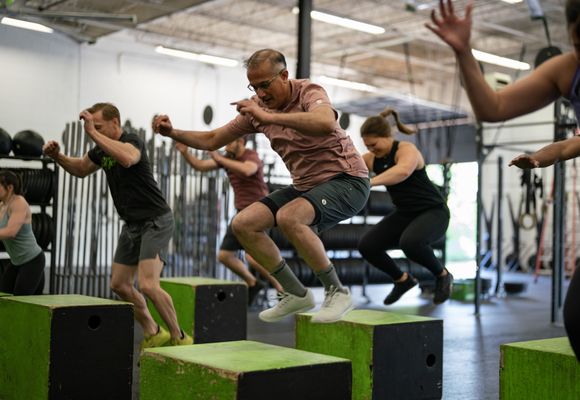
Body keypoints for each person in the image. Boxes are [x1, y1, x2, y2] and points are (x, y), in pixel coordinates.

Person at [153, 49, 370, 323]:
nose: (261, 94)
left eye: (265, 85)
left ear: (284, 76)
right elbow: (212, 139)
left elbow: (325, 121)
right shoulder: (257, 110)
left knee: (289, 217)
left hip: (348, 180)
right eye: (254, 87)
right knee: (244, 223)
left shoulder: (307, 91)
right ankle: (295, 293)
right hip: (306, 186)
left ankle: (337, 291)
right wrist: (172, 132)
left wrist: (268, 117)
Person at [428, 0, 580, 361]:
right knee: (577, 318)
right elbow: (492, 108)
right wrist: (464, 52)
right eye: (579, 41)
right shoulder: (568, 68)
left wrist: (556, 150)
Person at [43, 102, 192, 348]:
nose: (95, 131)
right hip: (132, 225)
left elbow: (127, 158)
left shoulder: (132, 141)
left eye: (99, 126)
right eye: (93, 128)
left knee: (148, 285)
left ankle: (180, 337)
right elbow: (80, 169)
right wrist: (57, 156)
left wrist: (92, 133)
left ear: (115, 122)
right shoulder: (101, 151)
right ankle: (154, 331)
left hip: (155, 220)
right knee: (119, 285)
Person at [357, 108, 453, 305]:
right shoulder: (369, 159)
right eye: (367, 146)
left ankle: (443, 275)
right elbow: (348, 170)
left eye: (374, 145)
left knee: (410, 243)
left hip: (433, 211)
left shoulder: (406, 150)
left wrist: (369, 182)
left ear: (387, 136)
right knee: (367, 245)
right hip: (405, 213)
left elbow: (401, 172)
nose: (371, 150)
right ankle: (402, 280)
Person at [175, 137, 283, 304]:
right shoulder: (227, 159)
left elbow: (248, 170)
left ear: (240, 141)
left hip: (259, 212)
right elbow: (201, 166)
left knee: (252, 257)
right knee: (225, 256)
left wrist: (219, 158)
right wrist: (185, 153)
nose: (225, 145)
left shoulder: (250, 155)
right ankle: (253, 282)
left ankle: (283, 287)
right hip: (240, 214)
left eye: (229, 142)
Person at [0, 171, 45, 295]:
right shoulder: (2, 205)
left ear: (9, 188)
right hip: (17, 262)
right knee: (4, 297)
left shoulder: (19, 203)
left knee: (21, 302)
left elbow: (11, 231)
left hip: (33, 261)